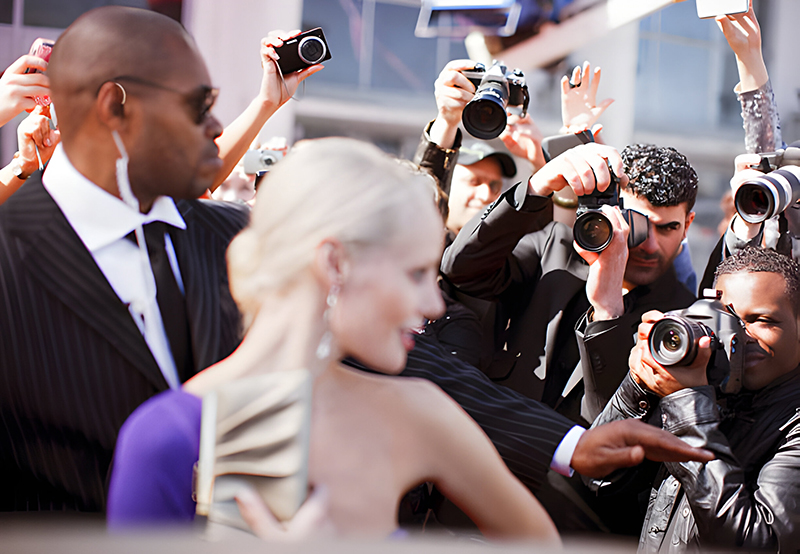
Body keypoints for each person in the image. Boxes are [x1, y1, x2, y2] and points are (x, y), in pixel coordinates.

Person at [108, 137, 561, 542]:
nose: (434, 303)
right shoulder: (172, 438)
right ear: (334, 263)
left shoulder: (422, 413)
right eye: (416, 273)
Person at [0, 7, 315, 513]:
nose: (214, 123)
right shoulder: (11, 265)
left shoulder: (236, 237)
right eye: (198, 105)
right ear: (115, 107)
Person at [442, 142, 698, 426]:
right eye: (637, 223)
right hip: (494, 447)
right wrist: (537, 186)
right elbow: (461, 269)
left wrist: (608, 312)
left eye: (667, 228)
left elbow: (612, 423)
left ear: (688, 224)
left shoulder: (683, 315)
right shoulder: (556, 248)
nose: (650, 245)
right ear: (613, 209)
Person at [590, 246, 800, 552]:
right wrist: (640, 385)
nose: (740, 336)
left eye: (762, 320)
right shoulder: (701, 383)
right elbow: (599, 475)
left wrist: (686, 405)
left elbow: (758, 541)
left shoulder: (693, 396)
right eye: (727, 319)